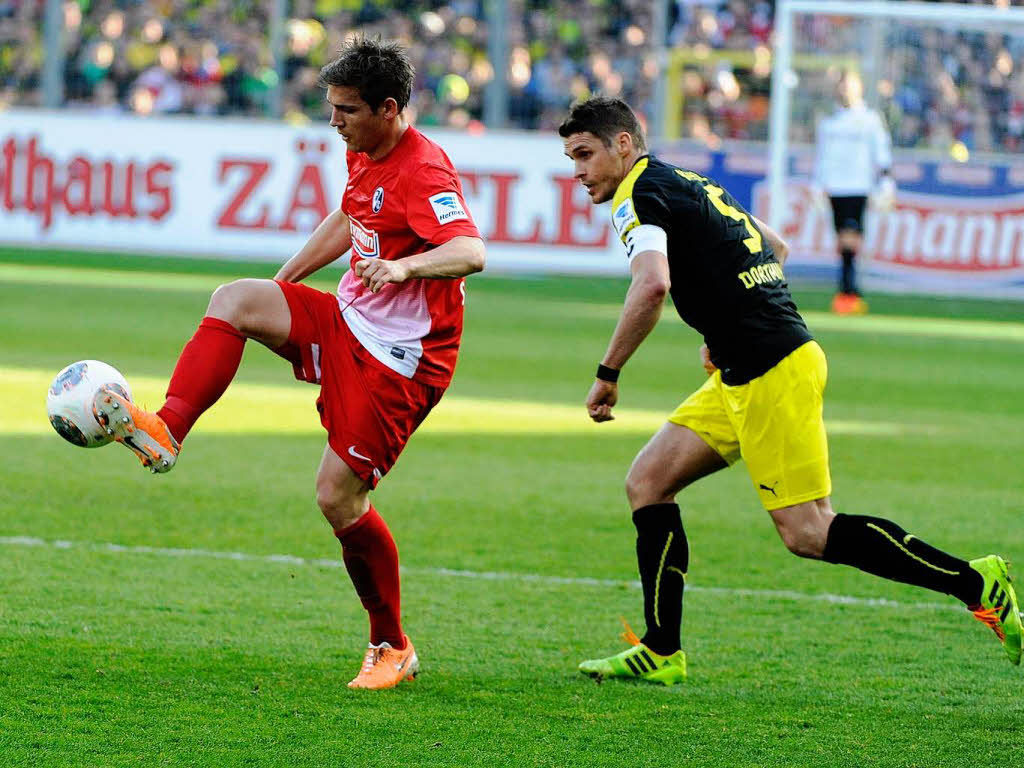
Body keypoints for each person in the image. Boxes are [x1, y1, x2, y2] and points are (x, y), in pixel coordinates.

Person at [559, 96, 1021, 685]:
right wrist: (730, 325)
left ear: (622, 144)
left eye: (585, 154)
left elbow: (652, 286)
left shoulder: (639, 195)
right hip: (746, 365)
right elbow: (775, 246)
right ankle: (661, 649)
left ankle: (975, 583)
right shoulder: (684, 179)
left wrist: (608, 373)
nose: (578, 171)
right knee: (648, 483)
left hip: (769, 370)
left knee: (808, 531)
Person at [91, 38, 486, 690]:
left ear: (389, 109)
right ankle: (165, 431)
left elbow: (471, 250)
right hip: (348, 321)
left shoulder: (425, 172)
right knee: (236, 299)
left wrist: (404, 266)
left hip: (400, 363)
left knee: (337, 497)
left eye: (347, 110)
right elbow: (349, 215)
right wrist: (281, 287)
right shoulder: (365, 152)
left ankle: (392, 645)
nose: (334, 121)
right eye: (331, 107)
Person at [814, 71, 894, 315]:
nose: (845, 90)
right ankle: (849, 292)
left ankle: (848, 292)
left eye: (849, 86)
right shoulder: (829, 123)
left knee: (851, 238)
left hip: (858, 186)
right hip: (835, 188)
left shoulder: (870, 120)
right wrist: (817, 186)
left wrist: (886, 183)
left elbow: (881, 153)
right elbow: (822, 158)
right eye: (842, 86)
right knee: (843, 240)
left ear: (859, 88)